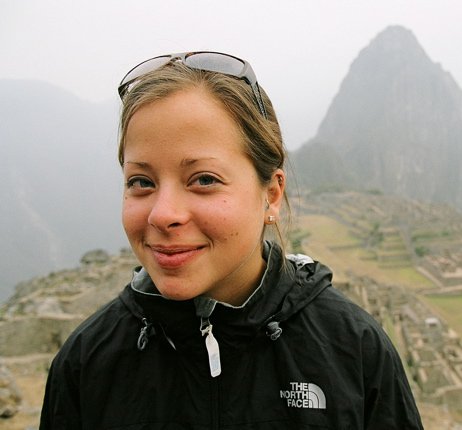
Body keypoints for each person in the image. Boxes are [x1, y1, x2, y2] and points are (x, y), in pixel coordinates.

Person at [40, 51, 423, 429]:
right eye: (141, 182)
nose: (163, 214)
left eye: (204, 179)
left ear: (271, 194)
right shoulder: (86, 363)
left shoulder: (353, 351)